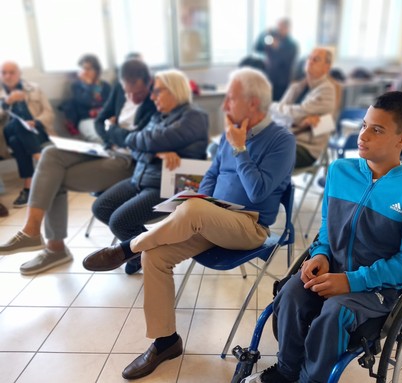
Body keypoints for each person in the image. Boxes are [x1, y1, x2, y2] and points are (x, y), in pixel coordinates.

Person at [82, 67, 296, 380]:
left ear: (253, 103)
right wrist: (198, 196)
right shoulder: (230, 131)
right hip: (213, 217)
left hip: (249, 226)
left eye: (231, 98)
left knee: (193, 211)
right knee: (155, 255)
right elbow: (211, 175)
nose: (224, 106)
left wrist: (239, 148)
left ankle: (126, 248)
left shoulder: (281, 140)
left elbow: (259, 191)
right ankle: (166, 341)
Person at [242, 91, 402, 383]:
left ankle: (312, 380)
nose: (363, 135)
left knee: (336, 311)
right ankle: (286, 371)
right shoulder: (340, 171)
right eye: (363, 125)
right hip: (332, 268)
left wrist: (351, 281)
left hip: (378, 288)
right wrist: (321, 253)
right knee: (291, 293)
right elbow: (327, 227)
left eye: (377, 130)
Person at [0, 59, 157, 275]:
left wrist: (115, 132)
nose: (131, 96)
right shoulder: (121, 90)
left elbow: (137, 139)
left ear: (147, 84)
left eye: (136, 92)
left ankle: (54, 247)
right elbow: (101, 120)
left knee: (53, 179)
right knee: (51, 154)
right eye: (127, 90)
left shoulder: (156, 98)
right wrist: (110, 134)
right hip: (107, 149)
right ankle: (32, 229)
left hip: (129, 162)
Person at [91, 69, 209, 275]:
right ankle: (139, 252)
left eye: (157, 92)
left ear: (174, 91)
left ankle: (148, 253)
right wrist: (157, 154)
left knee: (120, 221)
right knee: (100, 207)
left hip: (170, 186)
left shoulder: (194, 116)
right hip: (141, 178)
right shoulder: (157, 115)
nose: (152, 97)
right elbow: (137, 147)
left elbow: (143, 140)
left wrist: (149, 146)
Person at [270, 47, 336, 168]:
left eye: (316, 59)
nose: (310, 61)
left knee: (267, 158)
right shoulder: (296, 87)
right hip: (282, 138)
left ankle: (275, 186)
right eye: (309, 58)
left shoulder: (327, 90)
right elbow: (276, 116)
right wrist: (294, 119)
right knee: (249, 146)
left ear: (326, 67)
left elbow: (296, 113)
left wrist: (272, 107)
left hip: (304, 147)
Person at [0, 61, 55, 207]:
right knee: (17, 125)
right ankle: (42, 160)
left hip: (37, 131)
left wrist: (35, 122)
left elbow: (48, 113)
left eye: (12, 72)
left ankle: (28, 188)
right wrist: (6, 102)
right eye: (4, 72)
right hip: (8, 132)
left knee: (17, 140)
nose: (8, 76)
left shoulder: (34, 89)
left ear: (19, 74)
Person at [59, 54, 111, 142]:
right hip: (86, 120)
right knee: (98, 138)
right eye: (83, 68)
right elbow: (88, 101)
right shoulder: (76, 86)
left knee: (115, 136)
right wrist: (88, 86)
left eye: (89, 69)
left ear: (96, 70)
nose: (85, 71)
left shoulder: (105, 86)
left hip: (105, 119)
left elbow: (109, 105)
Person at [255, 18, 298, 101]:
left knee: (279, 107)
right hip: (268, 79)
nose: (278, 30)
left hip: (282, 83)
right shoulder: (271, 40)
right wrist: (265, 33)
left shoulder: (292, 45)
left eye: (281, 27)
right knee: (266, 104)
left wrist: (277, 48)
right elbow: (257, 48)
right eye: (277, 27)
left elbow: (284, 62)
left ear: (287, 28)